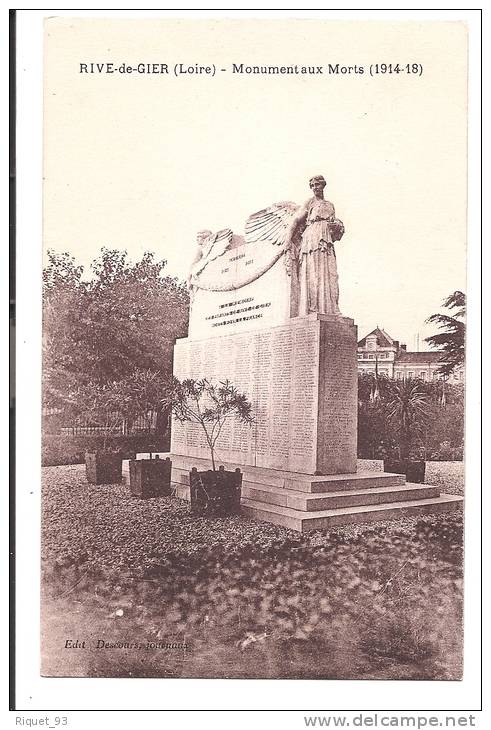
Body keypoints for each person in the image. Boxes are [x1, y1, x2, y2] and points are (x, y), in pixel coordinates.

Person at [286, 175, 344, 316]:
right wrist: (287, 240)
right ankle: (313, 309)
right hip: (312, 239)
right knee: (313, 274)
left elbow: (336, 230)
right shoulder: (309, 203)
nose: (315, 188)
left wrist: (336, 225)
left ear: (323, 185)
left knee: (331, 274)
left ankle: (330, 309)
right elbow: (295, 221)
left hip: (326, 240)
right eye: (312, 186)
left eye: (317, 184)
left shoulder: (330, 205)